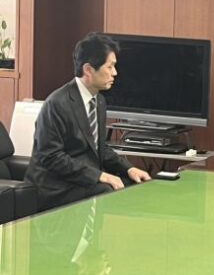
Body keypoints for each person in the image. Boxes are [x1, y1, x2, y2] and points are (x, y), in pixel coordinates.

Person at [25, 33, 151, 211]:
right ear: (88, 70)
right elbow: (51, 157)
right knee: (106, 190)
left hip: (83, 179)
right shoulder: (57, 103)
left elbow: (100, 148)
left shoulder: (98, 101)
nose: (115, 73)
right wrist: (100, 176)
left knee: (134, 185)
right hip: (56, 185)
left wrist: (128, 169)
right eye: (110, 67)